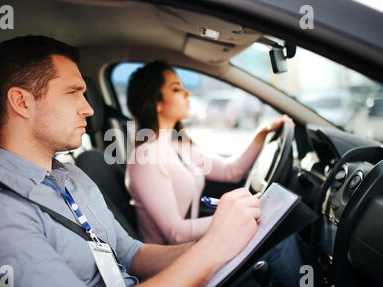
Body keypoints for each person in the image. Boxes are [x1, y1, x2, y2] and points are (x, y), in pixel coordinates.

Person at [0, 35, 333, 287]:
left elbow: (131, 253)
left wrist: (217, 245)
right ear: (22, 102)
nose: (89, 108)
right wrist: (213, 247)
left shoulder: (69, 175)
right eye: (73, 93)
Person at [125, 60, 293, 244]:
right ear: (156, 102)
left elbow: (232, 171)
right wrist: (237, 215)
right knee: (280, 243)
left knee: (280, 233)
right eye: (176, 89)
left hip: (196, 247)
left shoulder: (178, 147)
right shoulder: (146, 158)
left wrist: (261, 133)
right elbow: (176, 233)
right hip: (174, 261)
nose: (187, 93)